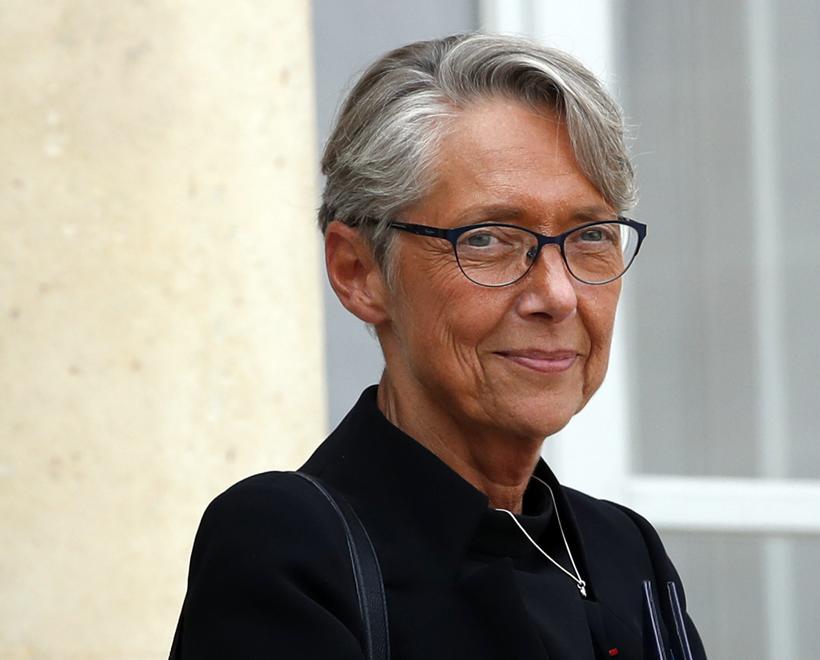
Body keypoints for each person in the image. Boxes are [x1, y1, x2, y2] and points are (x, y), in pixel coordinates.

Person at [170, 32, 706, 660]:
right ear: (359, 272)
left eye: (590, 236)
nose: (557, 295)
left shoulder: (624, 549)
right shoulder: (293, 547)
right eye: (488, 239)